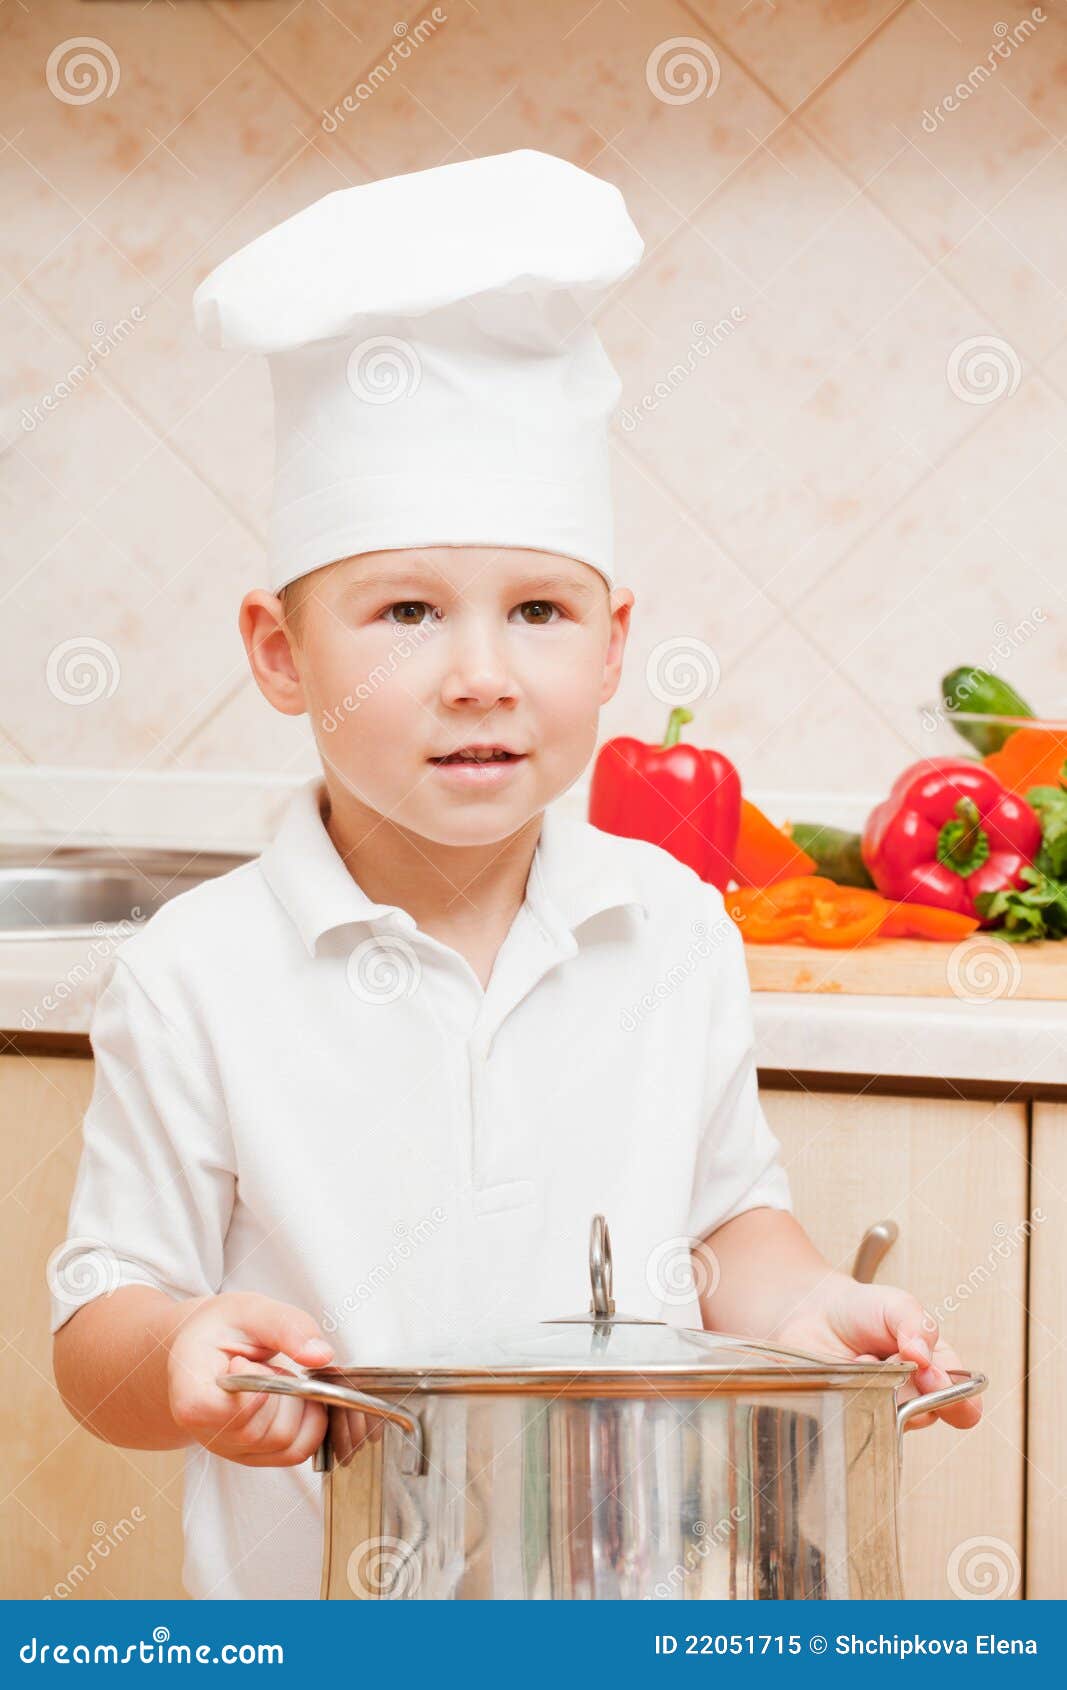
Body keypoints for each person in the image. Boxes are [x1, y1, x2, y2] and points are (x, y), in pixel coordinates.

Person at [49, 150, 979, 1602]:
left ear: (613, 645)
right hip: (331, 1628)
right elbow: (99, 1324)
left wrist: (810, 1306)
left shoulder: (671, 927)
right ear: (282, 653)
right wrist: (176, 1357)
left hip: (621, 1610)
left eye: (538, 609)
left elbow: (727, 1224)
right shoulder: (196, 973)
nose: (482, 675)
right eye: (406, 609)